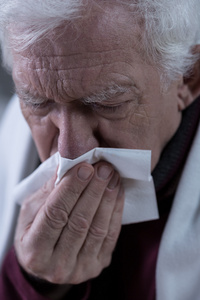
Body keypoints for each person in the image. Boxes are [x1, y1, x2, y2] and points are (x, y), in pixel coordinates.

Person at [0, 0, 200, 299]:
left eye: (108, 104)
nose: (69, 152)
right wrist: (32, 281)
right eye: (39, 104)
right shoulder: (16, 123)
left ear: (187, 79)